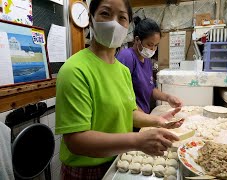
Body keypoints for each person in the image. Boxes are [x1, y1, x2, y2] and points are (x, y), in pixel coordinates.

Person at [55, 0, 183, 179]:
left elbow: (129, 113)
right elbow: (76, 141)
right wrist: (137, 141)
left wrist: (158, 121)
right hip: (86, 170)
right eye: (105, 14)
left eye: (122, 17)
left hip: (117, 160)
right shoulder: (74, 70)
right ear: (91, 19)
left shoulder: (122, 70)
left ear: (128, 26)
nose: (114, 23)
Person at [117, 17, 183, 114]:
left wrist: (168, 98)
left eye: (156, 45)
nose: (152, 49)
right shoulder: (127, 57)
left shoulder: (147, 60)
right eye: (149, 44)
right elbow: (121, 96)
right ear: (137, 40)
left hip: (143, 116)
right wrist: (146, 119)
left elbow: (150, 89)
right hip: (131, 118)